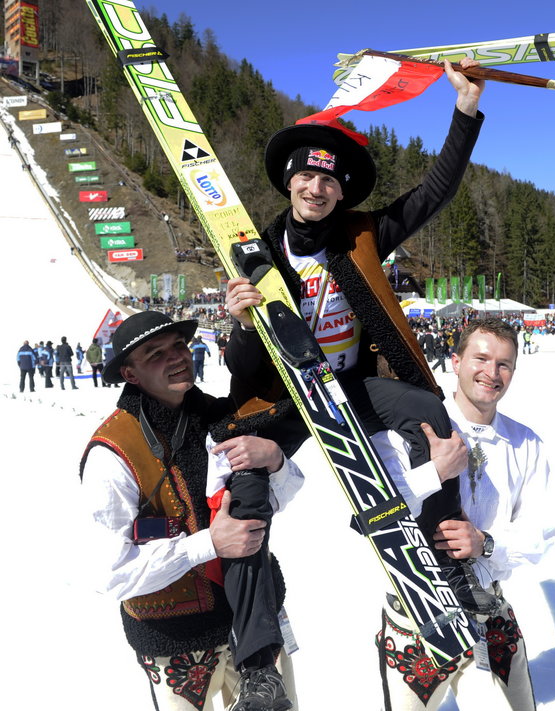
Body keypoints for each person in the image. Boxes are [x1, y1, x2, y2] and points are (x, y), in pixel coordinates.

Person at [225, 59, 499, 614]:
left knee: (427, 410)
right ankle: (253, 638)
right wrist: (239, 321)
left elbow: (433, 194)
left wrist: (464, 110)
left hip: (351, 385)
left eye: (329, 180)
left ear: (341, 192)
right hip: (289, 394)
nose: (317, 188)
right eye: (308, 176)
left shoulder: (362, 234)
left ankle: (450, 562)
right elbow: (240, 366)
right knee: (246, 478)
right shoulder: (256, 252)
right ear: (289, 180)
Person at [80, 311, 304, 711]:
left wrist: (275, 460)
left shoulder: (221, 416)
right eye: (155, 353)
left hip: (254, 629)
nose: (176, 357)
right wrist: (209, 544)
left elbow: (275, 500)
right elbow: (111, 571)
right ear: (130, 374)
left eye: (179, 346)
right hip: (173, 638)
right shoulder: (111, 452)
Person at [372, 318, 554, 711]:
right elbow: (375, 517)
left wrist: (486, 543)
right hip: (415, 616)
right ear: (455, 361)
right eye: (481, 358)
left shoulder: (525, 443)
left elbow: (540, 532)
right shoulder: (407, 429)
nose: (492, 373)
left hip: (489, 611)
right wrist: (432, 471)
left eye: (504, 364)